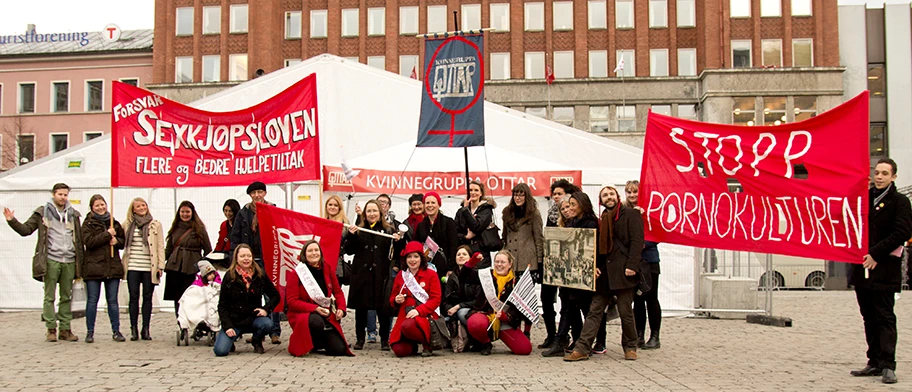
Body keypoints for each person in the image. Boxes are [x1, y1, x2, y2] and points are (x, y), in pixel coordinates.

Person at [849, 158, 912, 384]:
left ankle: (888, 364)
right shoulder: (864, 198)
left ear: (893, 177)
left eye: (885, 173)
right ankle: (873, 360)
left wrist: (876, 253)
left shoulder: (900, 201)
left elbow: (902, 232)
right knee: (868, 316)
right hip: (862, 267)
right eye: (877, 172)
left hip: (884, 268)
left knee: (884, 316)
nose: (879, 177)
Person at [565, 186, 643, 362]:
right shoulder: (603, 219)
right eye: (604, 195)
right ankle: (582, 348)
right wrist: (594, 266)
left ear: (617, 196)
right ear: (601, 200)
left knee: (625, 311)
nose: (608, 197)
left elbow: (637, 242)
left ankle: (630, 346)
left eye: (611, 194)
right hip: (605, 273)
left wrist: (632, 265)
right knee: (595, 311)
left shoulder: (631, 214)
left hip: (624, 272)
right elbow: (598, 248)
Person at [4, 183, 85, 342]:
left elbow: (79, 239)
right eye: (60, 194)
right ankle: (51, 329)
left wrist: (80, 262)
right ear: (53, 194)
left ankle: (65, 329)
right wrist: (12, 220)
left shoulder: (73, 215)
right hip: (51, 259)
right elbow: (26, 230)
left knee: (66, 296)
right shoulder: (42, 213)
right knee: (49, 296)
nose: (63, 197)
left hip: (69, 259)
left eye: (65, 195)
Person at [543, 191, 601, 357]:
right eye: (567, 206)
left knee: (586, 309)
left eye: (573, 205)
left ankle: (585, 342)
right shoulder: (573, 222)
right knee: (569, 308)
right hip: (571, 274)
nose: (569, 209)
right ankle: (566, 340)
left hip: (584, 274)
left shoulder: (590, 223)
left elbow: (593, 248)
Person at [344, 199, 402, 351]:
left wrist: (397, 242)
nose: (372, 214)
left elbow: (395, 253)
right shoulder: (358, 229)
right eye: (369, 211)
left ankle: (384, 339)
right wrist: (351, 236)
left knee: (383, 309)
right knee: (361, 309)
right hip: (361, 275)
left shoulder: (388, 230)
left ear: (380, 213)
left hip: (380, 275)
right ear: (364, 213)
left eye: (374, 211)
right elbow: (348, 250)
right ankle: (360, 338)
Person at [230, 181, 282, 344]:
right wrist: (234, 256)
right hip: (248, 259)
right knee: (249, 294)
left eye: (260, 192)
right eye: (254, 193)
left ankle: (274, 331)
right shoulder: (243, 213)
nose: (257, 195)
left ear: (265, 193)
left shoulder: (272, 209)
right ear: (250, 195)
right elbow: (235, 236)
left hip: (268, 258)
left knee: (270, 294)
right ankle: (254, 330)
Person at [286, 240, 354, 357]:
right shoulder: (296, 274)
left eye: (316, 250)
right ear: (304, 254)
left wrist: (341, 309)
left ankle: (319, 342)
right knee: (315, 322)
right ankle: (309, 341)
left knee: (338, 350)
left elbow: (337, 292)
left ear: (321, 253)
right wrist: (315, 308)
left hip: (325, 313)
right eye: (310, 251)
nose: (314, 253)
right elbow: (292, 302)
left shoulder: (327, 269)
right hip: (304, 314)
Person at [214, 244, 280, 356]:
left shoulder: (260, 274)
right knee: (220, 351)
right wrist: (227, 326)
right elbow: (222, 305)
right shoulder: (229, 276)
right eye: (242, 256)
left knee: (268, 324)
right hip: (234, 321)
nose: (246, 259)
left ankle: (257, 340)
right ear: (236, 258)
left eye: (248, 256)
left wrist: (266, 309)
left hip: (253, 318)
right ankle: (231, 340)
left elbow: (275, 296)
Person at [464, 250, 533, 356]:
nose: (499, 265)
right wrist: (472, 261)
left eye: (502, 262)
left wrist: (506, 317)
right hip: (487, 316)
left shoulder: (516, 283)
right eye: (497, 262)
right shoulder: (486, 276)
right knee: (475, 322)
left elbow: (520, 309)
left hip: (505, 321)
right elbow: (464, 277)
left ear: (510, 264)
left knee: (524, 349)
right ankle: (485, 343)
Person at [80, 194, 127, 343]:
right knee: (92, 300)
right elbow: (89, 242)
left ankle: (116, 330)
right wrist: (107, 235)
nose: (101, 208)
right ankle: (90, 331)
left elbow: (122, 242)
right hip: (93, 268)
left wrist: (116, 241)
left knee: (112, 301)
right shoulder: (88, 224)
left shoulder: (114, 223)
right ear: (92, 208)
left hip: (112, 267)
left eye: (102, 204)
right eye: (97, 205)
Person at [538, 180, 579, 349]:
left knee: (568, 301)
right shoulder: (552, 213)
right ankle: (551, 334)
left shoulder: (573, 214)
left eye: (559, 193)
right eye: (554, 193)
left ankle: (568, 336)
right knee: (546, 298)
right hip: (551, 262)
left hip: (568, 264)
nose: (556, 197)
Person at [121, 197, 165, 341]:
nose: (141, 208)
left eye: (143, 205)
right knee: (133, 297)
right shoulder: (127, 225)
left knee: (147, 297)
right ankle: (133, 328)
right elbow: (121, 242)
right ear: (133, 209)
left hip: (148, 266)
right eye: (138, 206)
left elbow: (159, 246)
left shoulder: (155, 225)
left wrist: (160, 266)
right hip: (133, 265)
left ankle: (145, 328)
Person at [389, 241, 443, 357]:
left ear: (421, 258)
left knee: (408, 326)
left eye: (416, 256)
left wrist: (419, 311)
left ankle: (427, 343)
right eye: (409, 257)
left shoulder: (431, 274)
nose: (412, 260)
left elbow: (436, 299)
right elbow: (392, 297)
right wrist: (396, 300)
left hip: (425, 315)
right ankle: (412, 343)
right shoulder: (401, 275)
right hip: (405, 315)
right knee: (400, 351)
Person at [626, 180, 662, 350]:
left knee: (651, 298)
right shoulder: (626, 211)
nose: (632, 195)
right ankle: (639, 334)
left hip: (649, 260)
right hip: (634, 261)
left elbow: (657, 234)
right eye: (629, 192)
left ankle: (655, 335)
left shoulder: (650, 211)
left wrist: (641, 244)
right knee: (638, 300)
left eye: (635, 192)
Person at [164, 201, 212, 321]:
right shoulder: (175, 228)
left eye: (187, 212)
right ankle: (180, 322)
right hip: (175, 267)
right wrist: (158, 264)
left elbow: (208, 250)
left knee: (193, 296)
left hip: (192, 268)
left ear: (192, 213)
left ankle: (196, 321)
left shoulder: (199, 229)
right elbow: (168, 249)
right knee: (177, 297)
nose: (185, 214)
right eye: (182, 212)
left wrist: (206, 269)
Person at [414, 192, 459, 279]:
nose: (430, 205)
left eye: (433, 203)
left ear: (439, 205)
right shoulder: (421, 225)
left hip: (443, 268)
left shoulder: (448, 222)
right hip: (426, 267)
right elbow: (416, 245)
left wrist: (451, 268)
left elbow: (453, 246)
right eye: (427, 203)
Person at [455, 181, 497, 268]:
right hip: (465, 253)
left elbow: (477, 227)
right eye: (470, 190)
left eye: (476, 190)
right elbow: (455, 232)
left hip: (481, 254)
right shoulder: (460, 211)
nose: (473, 193)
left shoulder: (486, 210)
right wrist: (465, 237)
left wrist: (466, 211)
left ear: (481, 193)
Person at [444, 246, 483, 333]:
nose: (461, 256)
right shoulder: (452, 277)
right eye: (458, 254)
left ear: (470, 257)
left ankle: (474, 337)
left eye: (464, 254)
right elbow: (446, 298)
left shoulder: (476, 274)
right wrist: (449, 309)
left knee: (462, 314)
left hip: (472, 308)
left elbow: (477, 301)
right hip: (455, 309)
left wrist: (459, 306)